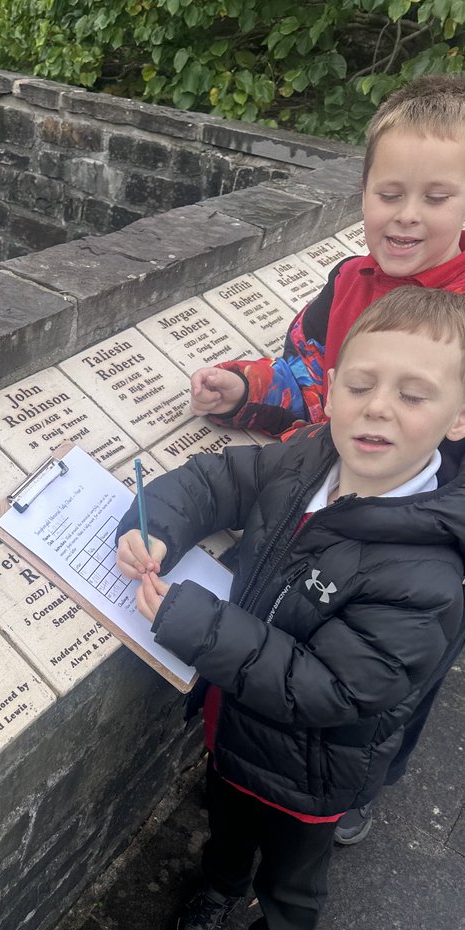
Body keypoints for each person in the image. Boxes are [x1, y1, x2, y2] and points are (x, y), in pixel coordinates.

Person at [116, 287, 465, 930]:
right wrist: (155, 524)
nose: (377, 408)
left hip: (316, 769)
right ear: (330, 391)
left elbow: (334, 688)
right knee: (226, 823)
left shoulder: (428, 574)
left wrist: (197, 625)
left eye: (412, 395)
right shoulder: (308, 459)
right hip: (237, 725)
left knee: (292, 877)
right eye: (361, 385)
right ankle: (218, 887)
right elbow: (219, 480)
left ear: (458, 418)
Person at [188, 73, 465, 845]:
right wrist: (245, 389)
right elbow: (313, 376)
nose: (406, 215)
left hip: (419, 542)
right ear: (365, 191)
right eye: (390, 192)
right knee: (296, 653)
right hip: (328, 506)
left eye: (437, 197)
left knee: (390, 683)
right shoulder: (346, 283)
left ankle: (367, 780)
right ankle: (258, 768)